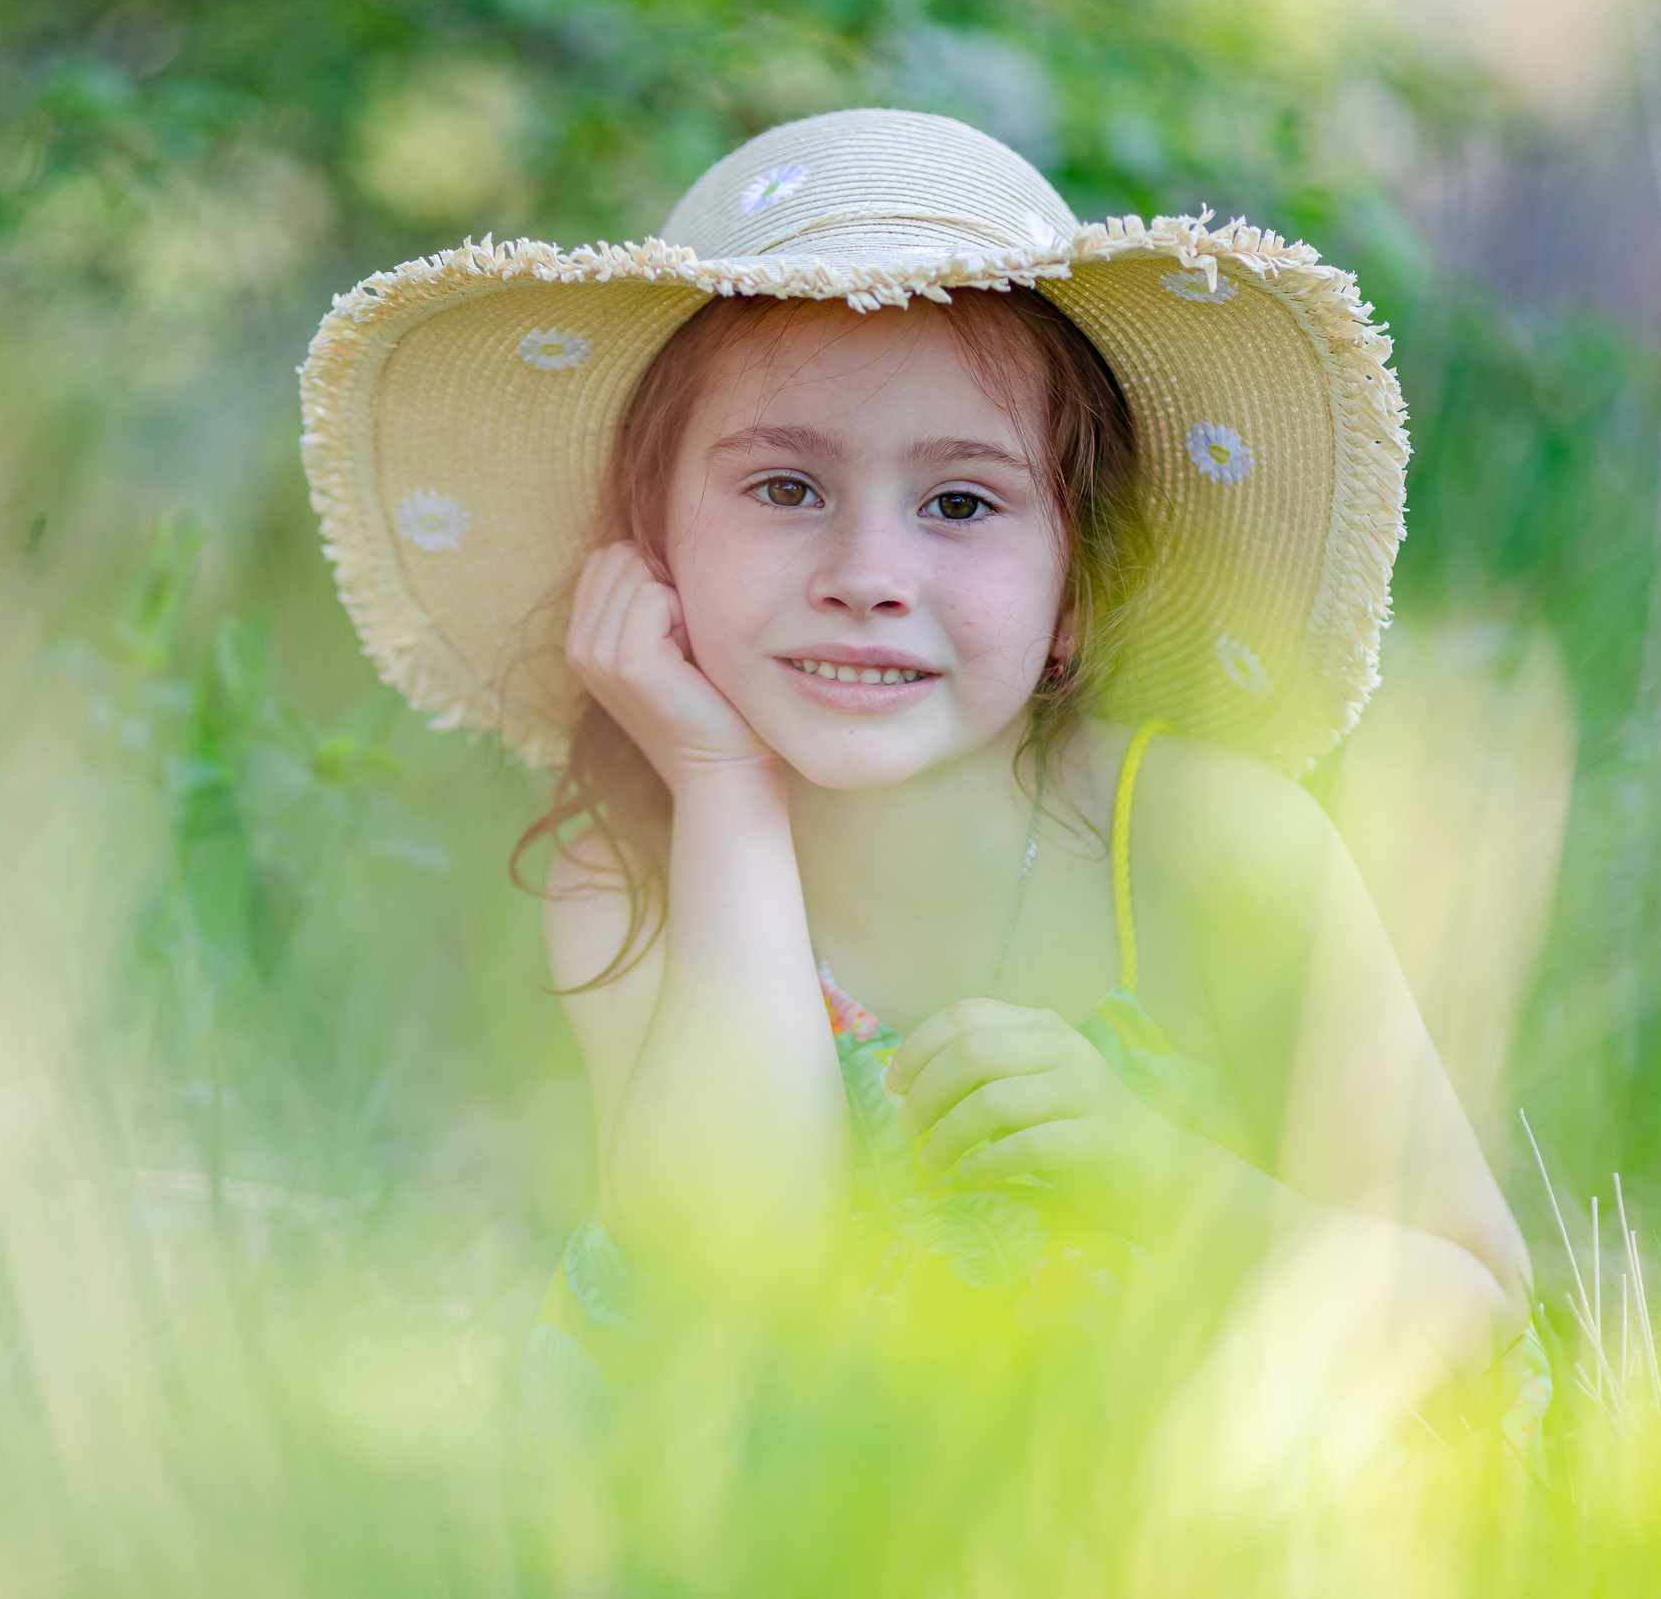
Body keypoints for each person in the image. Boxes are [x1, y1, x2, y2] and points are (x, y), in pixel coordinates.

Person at [298, 109, 1546, 1450]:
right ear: (651, 543)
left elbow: (1475, 1299)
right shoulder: (634, 873)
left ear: (1079, 590)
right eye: (785, 488)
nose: (866, 574)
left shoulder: (1206, 840)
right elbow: (741, 1274)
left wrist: (1156, 1175)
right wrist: (718, 782)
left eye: (960, 504)